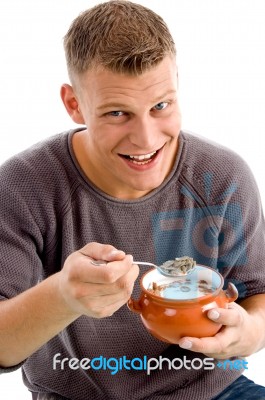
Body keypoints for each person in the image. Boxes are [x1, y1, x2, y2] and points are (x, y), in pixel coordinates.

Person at [0, 1, 265, 399]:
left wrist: (248, 333)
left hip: (211, 390)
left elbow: (256, 292)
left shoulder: (223, 176)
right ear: (74, 104)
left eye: (161, 106)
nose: (146, 139)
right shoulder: (23, 187)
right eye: (117, 113)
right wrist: (62, 296)